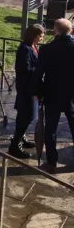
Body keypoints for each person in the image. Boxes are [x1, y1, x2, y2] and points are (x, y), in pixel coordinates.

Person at [35, 18, 74, 174]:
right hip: (72, 96)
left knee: (50, 129)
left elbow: (38, 75)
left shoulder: (46, 49)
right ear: (70, 31)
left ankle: (51, 162)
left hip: (52, 95)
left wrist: (39, 93)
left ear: (55, 31)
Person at [8, 24, 45, 159]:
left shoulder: (32, 47)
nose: (42, 38)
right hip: (26, 88)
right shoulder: (25, 49)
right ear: (34, 36)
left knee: (24, 115)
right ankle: (15, 145)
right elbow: (24, 69)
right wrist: (40, 69)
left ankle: (21, 137)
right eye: (40, 36)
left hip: (30, 87)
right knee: (28, 115)